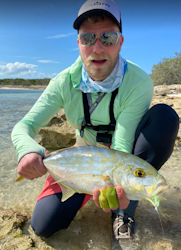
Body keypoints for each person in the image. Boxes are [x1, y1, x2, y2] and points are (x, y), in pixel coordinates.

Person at [11, 0, 179, 249]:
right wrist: (27, 151)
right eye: (88, 38)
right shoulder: (62, 82)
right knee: (44, 225)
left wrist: (114, 183)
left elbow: (121, 146)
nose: (97, 48)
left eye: (108, 37)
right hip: (81, 154)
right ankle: (83, 190)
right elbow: (24, 126)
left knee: (165, 116)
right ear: (79, 43)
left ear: (120, 42)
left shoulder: (138, 81)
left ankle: (123, 214)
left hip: (123, 151)